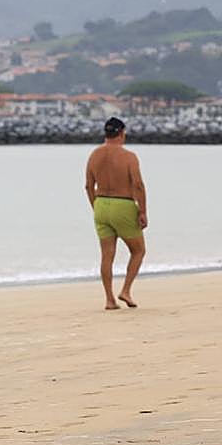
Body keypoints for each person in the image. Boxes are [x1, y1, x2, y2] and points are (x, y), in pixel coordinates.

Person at [85, 117, 147, 310]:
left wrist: (97, 207)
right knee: (138, 251)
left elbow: (89, 186)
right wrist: (143, 211)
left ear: (106, 133)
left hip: (101, 204)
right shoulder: (129, 156)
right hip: (124, 204)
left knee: (106, 256)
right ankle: (126, 290)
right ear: (122, 133)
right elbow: (137, 185)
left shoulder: (94, 155)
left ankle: (109, 299)